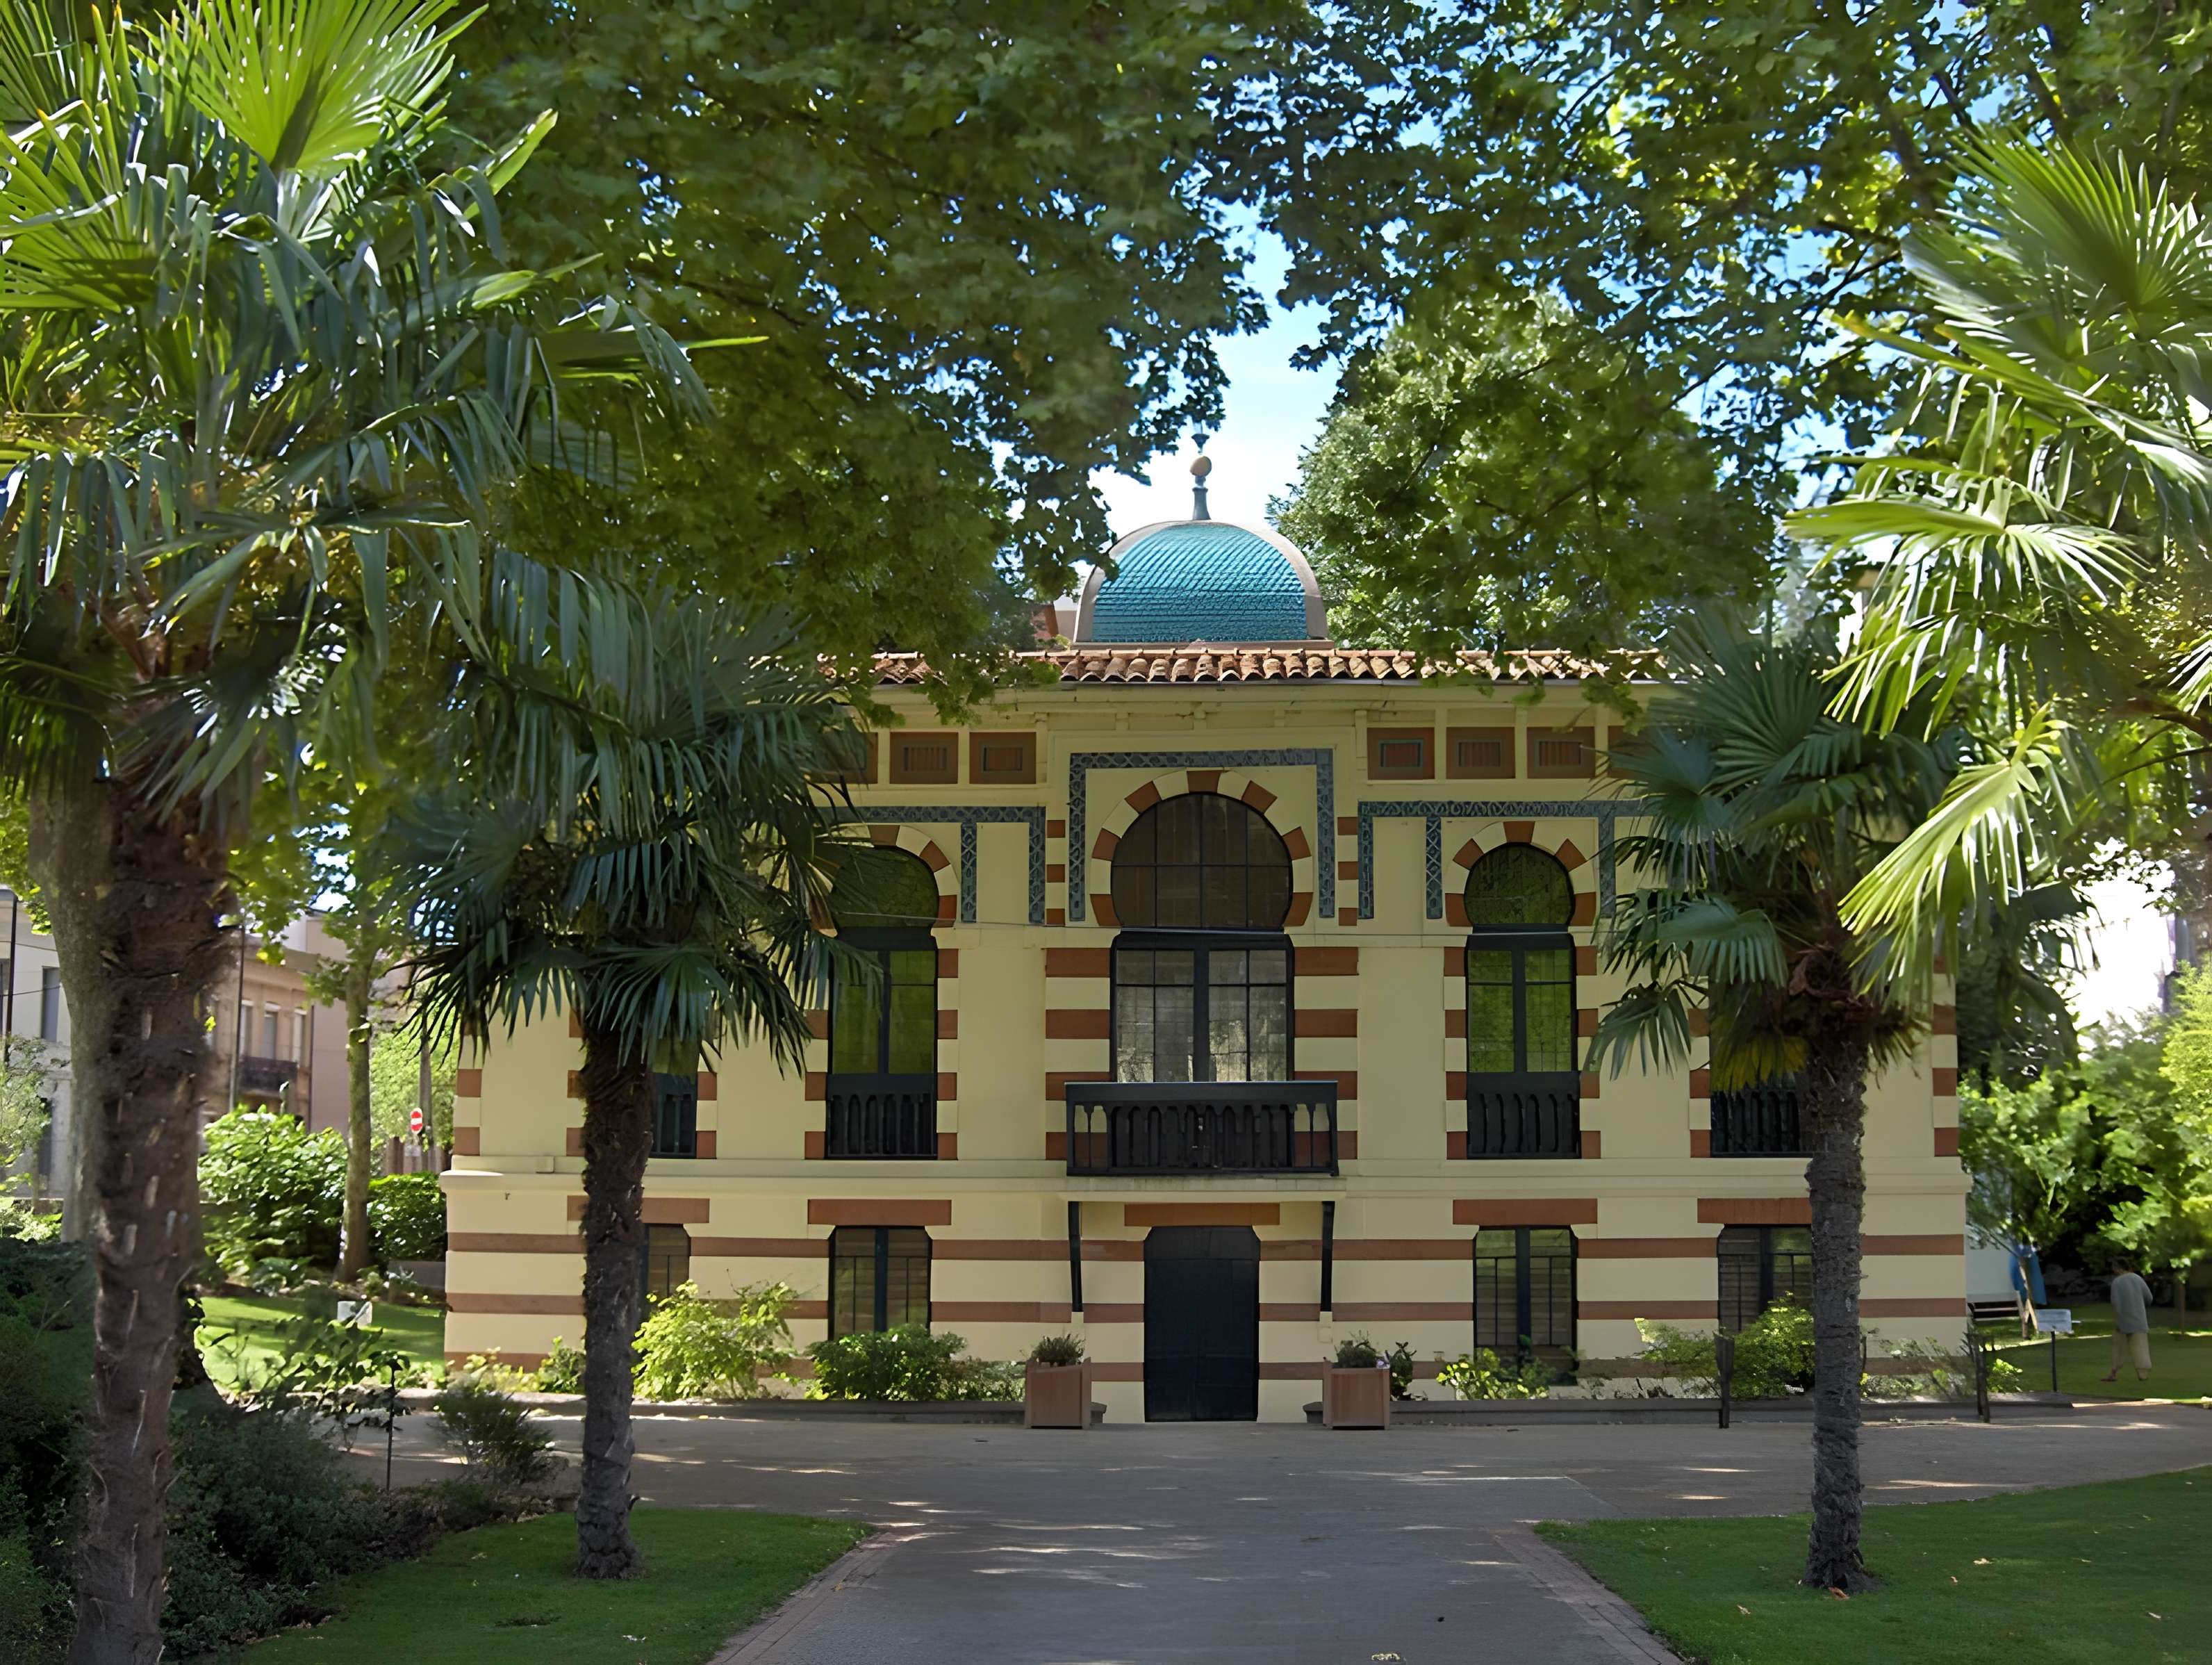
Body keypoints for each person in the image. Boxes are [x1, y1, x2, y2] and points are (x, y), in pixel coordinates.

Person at [2102, 1262, 2154, 1383]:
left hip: (2122, 1320)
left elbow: (2115, 1302)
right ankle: (2143, 1375)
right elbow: (2149, 1298)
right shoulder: (2138, 1279)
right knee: (2141, 1348)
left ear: (2117, 1268)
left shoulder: (2117, 1282)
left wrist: (2118, 1317)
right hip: (2139, 1320)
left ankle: (2114, 1372)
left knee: (2118, 1347)